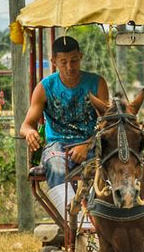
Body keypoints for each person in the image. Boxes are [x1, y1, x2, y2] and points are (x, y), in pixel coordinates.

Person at [19, 35, 109, 192]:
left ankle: (104, 212)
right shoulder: (44, 88)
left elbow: (107, 123)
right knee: (55, 165)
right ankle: (67, 212)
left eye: (74, 60)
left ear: (80, 57)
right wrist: (30, 133)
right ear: (54, 62)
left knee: (112, 164)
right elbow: (26, 125)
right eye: (63, 62)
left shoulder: (97, 83)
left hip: (93, 144)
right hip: (58, 147)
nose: (69, 67)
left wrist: (87, 145)